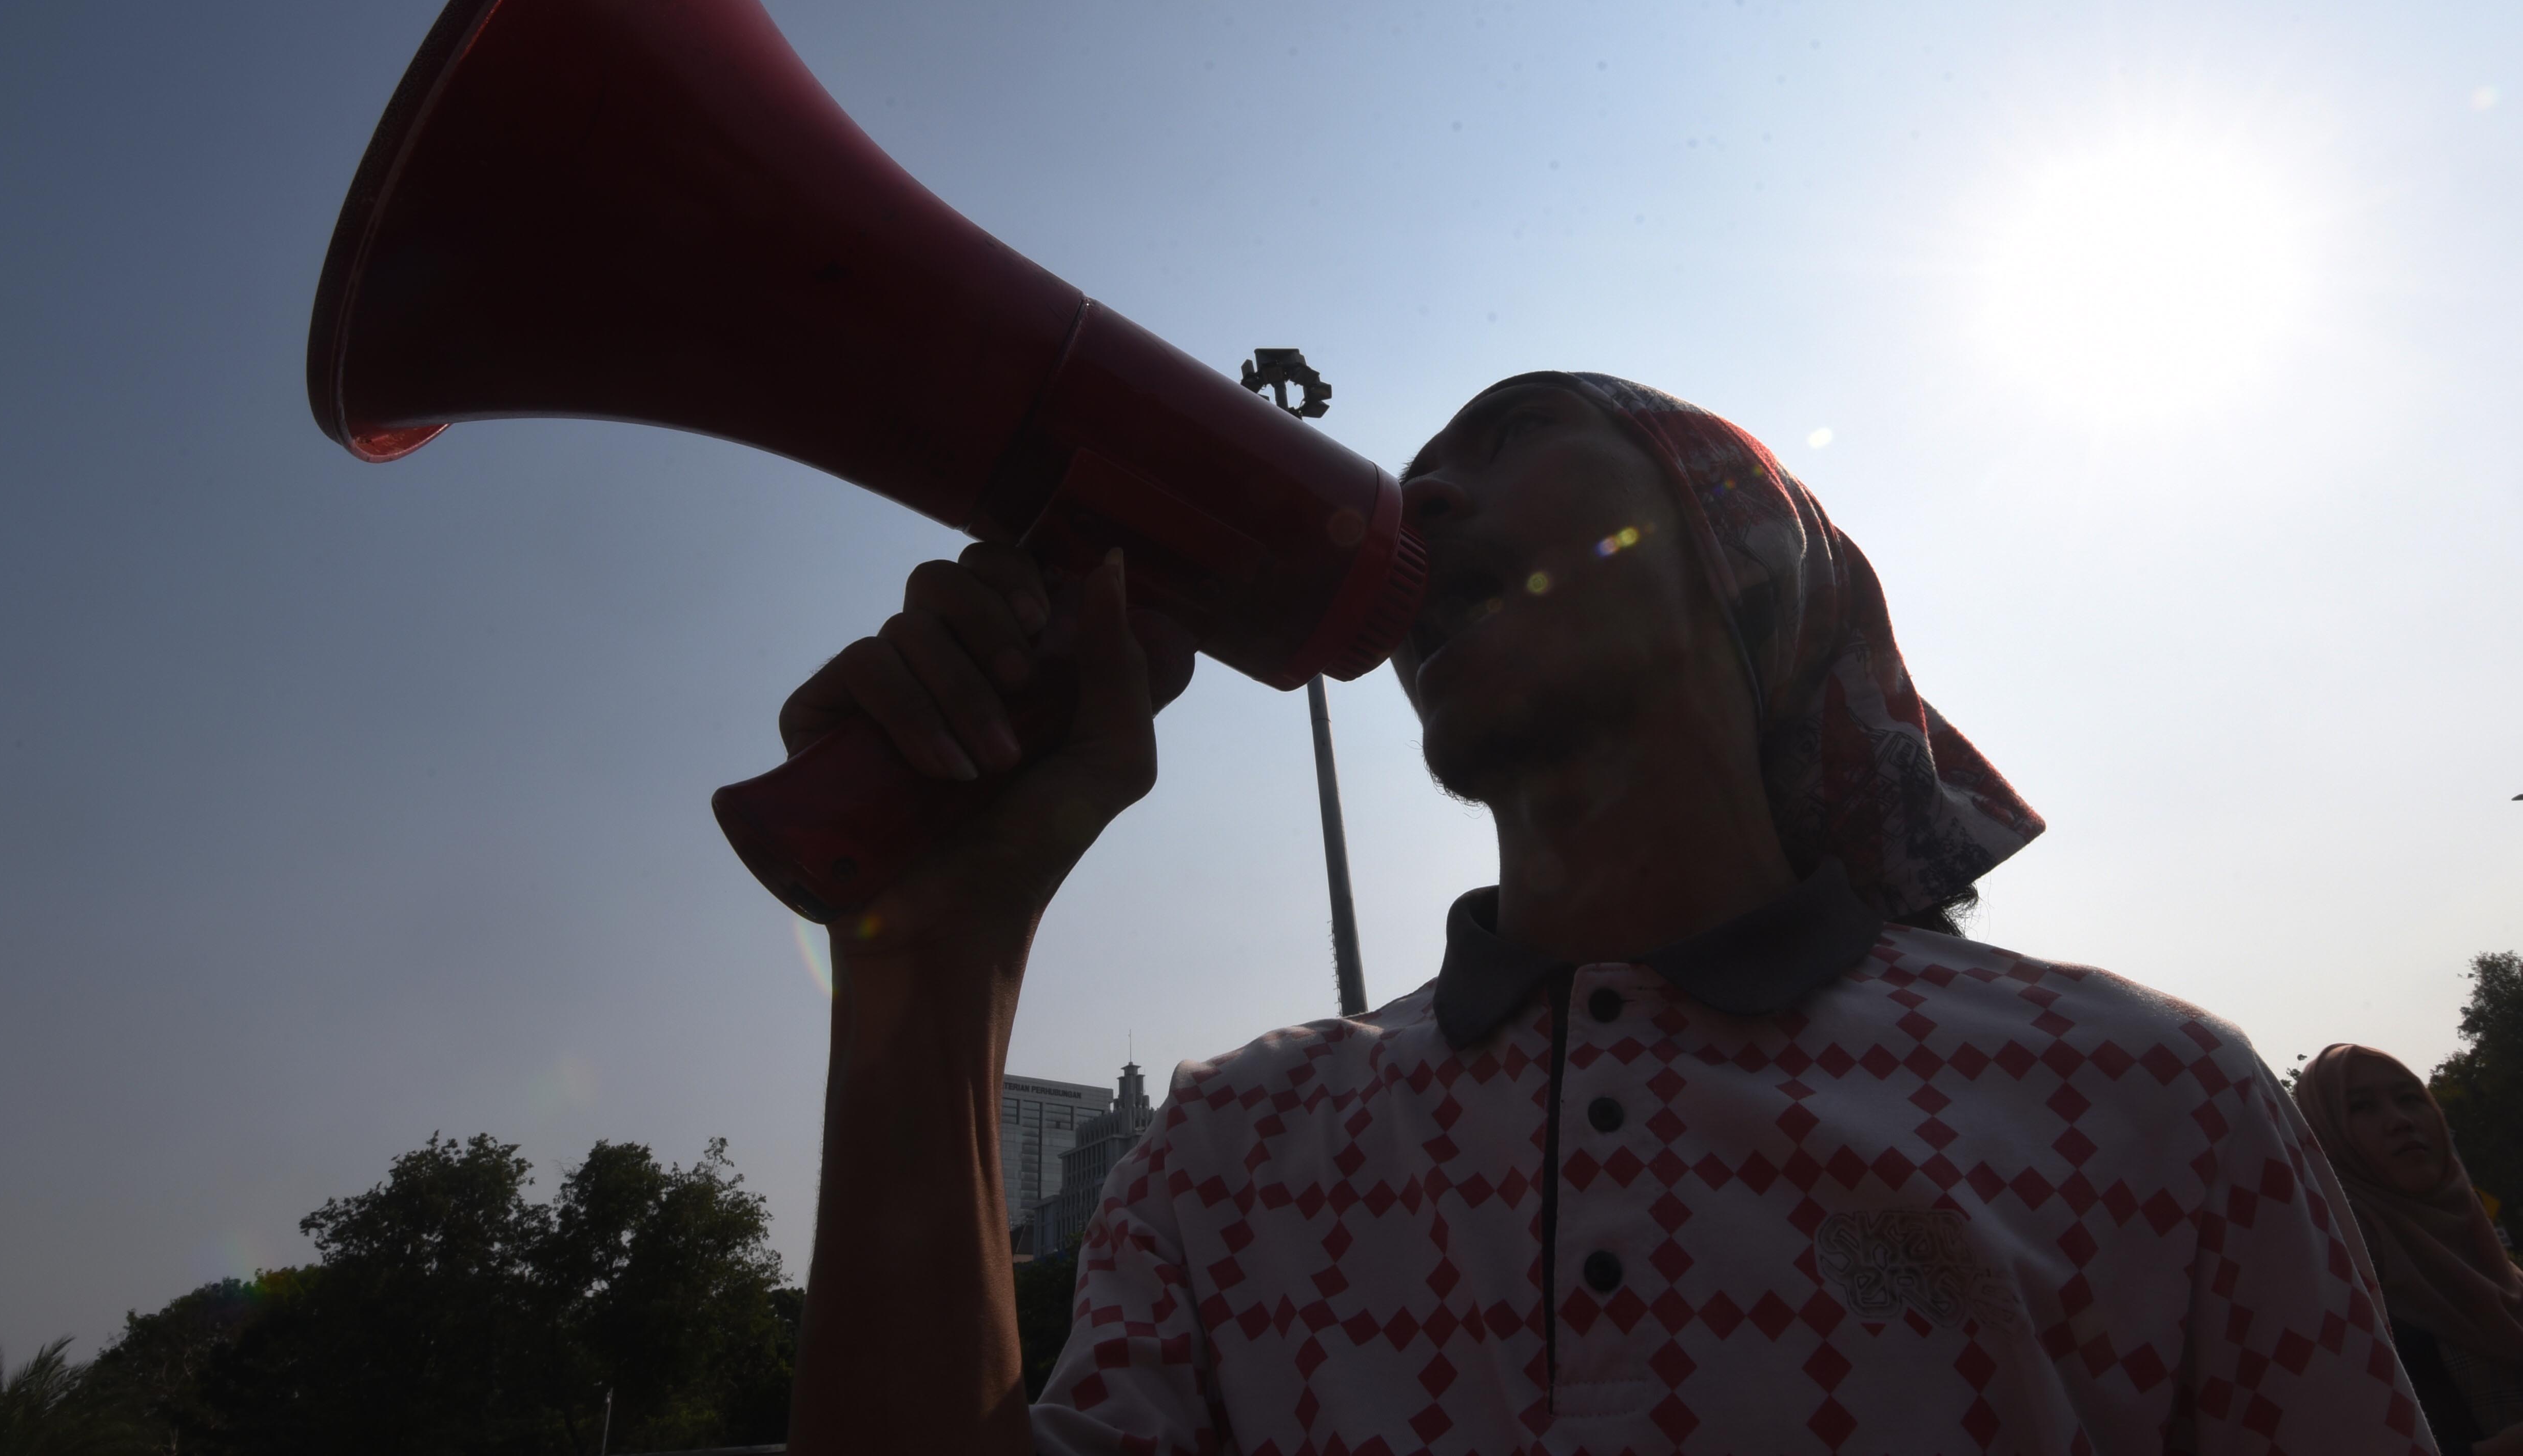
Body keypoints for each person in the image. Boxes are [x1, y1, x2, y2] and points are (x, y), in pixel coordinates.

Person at [783, 372, 2431, 1452]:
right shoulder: (1227, 1143)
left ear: (1739, 559)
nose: (1408, 509)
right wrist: (930, 952)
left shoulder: (2156, 1103)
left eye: (1497, 446)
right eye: (1409, 483)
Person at [2295, 1045, 2523, 1455]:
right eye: (2363, 1107)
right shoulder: (2336, 1284)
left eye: (2410, 1099)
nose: (2400, 1121)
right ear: (2324, 1136)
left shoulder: (2495, 1264)